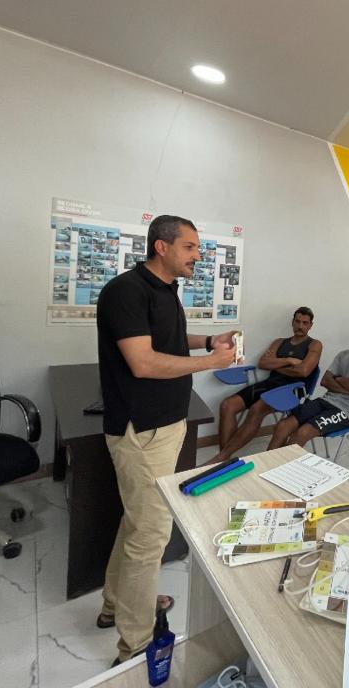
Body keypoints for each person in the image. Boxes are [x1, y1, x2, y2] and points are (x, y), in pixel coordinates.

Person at [95, 215, 238, 666]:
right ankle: (135, 645)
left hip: (166, 423)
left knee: (138, 522)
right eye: (190, 247)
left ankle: (115, 603)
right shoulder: (126, 291)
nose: (198, 255)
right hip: (143, 429)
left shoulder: (165, 290)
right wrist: (210, 363)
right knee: (151, 534)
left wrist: (208, 340)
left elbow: (168, 341)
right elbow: (143, 362)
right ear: (162, 246)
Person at [213, 307, 322, 461]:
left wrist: (276, 365)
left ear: (311, 325)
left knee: (256, 409)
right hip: (270, 383)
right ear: (292, 322)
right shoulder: (279, 342)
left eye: (305, 323)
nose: (300, 326)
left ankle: (221, 457)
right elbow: (263, 363)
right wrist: (289, 361)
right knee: (227, 405)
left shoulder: (315, 345)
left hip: (292, 389)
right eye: (297, 321)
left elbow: (303, 371)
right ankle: (225, 457)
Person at [267, 315, 349, 450]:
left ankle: (282, 463)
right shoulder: (343, 355)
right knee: (283, 426)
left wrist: (338, 379)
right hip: (326, 400)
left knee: (302, 432)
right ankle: (268, 462)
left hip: (347, 410)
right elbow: (325, 381)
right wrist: (347, 389)